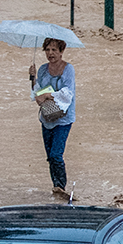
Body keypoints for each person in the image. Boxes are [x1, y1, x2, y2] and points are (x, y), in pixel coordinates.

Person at [29, 38, 76, 201]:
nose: (50, 53)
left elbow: (67, 94)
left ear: (61, 51)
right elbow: (36, 94)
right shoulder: (42, 70)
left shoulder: (68, 69)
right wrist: (33, 78)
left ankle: (61, 186)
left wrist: (49, 94)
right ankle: (55, 186)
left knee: (56, 154)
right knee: (50, 156)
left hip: (64, 119)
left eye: (54, 50)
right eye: (47, 50)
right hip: (47, 118)